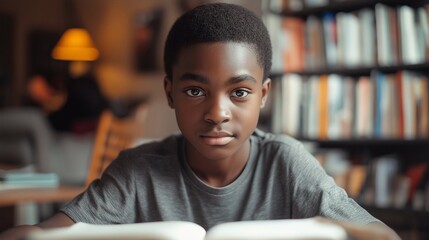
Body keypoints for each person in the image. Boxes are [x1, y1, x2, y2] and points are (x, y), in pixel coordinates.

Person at [0, 3, 400, 240]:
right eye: (195, 91)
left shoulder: (287, 164)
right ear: (170, 92)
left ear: (263, 96)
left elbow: (381, 235)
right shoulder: (139, 170)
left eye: (239, 92)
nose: (217, 113)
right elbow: (44, 234)